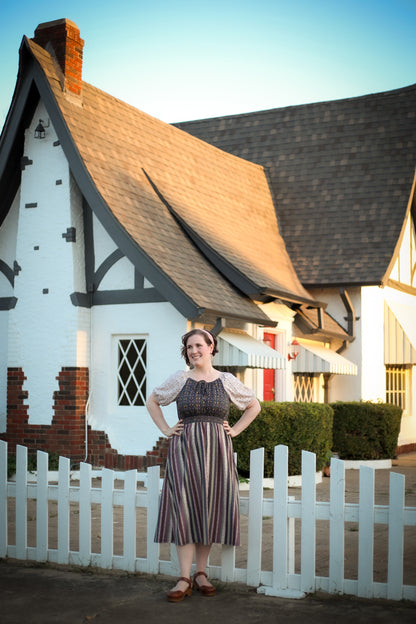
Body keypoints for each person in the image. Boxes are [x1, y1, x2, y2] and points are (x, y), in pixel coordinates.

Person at [146, 328, 261, 602]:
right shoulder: (180, 379)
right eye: (189, 347)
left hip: (216, 452)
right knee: (184, 507)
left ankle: (201, 573)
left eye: (199, 345)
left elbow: (254, 406)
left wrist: (234, 430)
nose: (194, 351)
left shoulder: (227, 381)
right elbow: (152, 401)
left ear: (211, 346)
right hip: (184, 450)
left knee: (208, 507)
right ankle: (184, 577)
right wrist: (165, 429)